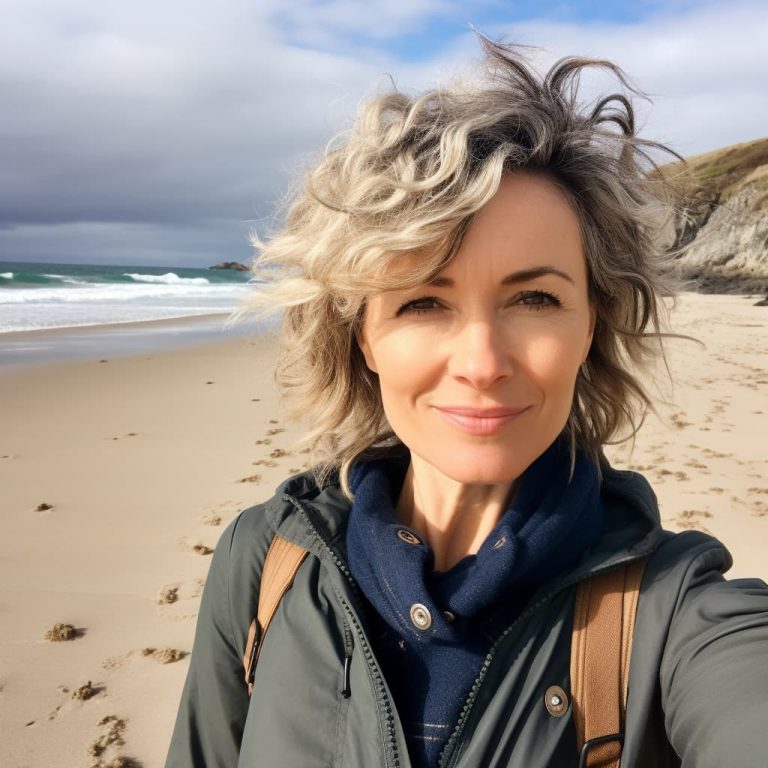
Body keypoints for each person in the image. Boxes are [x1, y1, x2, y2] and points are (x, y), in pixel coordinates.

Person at [165, 39, 768, 768]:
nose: (482, 364)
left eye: (535, 298)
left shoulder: (677, 618)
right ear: (362, 337)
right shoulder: (267, 561)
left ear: (591, 327)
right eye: (424, 302)